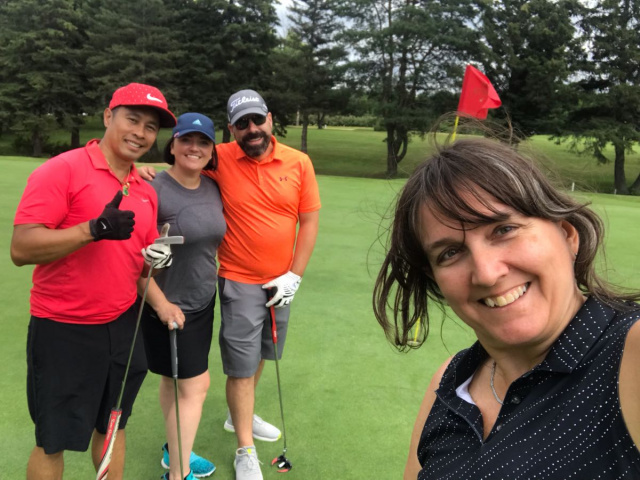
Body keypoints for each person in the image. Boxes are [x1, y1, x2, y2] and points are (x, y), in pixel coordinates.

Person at [373, 137, 640, 479]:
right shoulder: (451, 381)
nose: (486, 273)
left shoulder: (630, 353)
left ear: (567, 234)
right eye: (450, 253)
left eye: (504, 229)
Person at [140, 89, 321, 480]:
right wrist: (140, 172)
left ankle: (239, 413)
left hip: (279, 281)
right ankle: (244, 449)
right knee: (235, 368)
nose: (251, 129)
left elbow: (308, 221)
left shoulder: (298, 162)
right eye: (242, 124)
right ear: (232, 129)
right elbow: (179, 165)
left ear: (269, 119)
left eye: (257, 120)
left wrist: (295, 275)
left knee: (261, 354)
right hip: (236, 279)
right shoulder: (219, 157)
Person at [10, 82, 176, 480]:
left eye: (150, 127)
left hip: (123, 325)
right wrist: (92, 229)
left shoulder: (145, 190)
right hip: (64, 328)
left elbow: (139, 268)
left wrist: (157, 266)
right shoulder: (63, 170)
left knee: (113, 425)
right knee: (54, 439)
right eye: (132, 120)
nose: (140, 133)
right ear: (107, 117)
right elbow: (21, 248)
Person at [139, 113, 226, 480]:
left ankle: (174, 451)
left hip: (202, 300)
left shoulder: (212, 186)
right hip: (167, 304)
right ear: (172, 145)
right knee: (195, 386)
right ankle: (178, 474)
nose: (194, 147)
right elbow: (132, 262)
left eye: (203, 142)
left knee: (174, 382)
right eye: (186, 140)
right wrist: (161, 304)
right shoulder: (151, 188)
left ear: (211, 150)